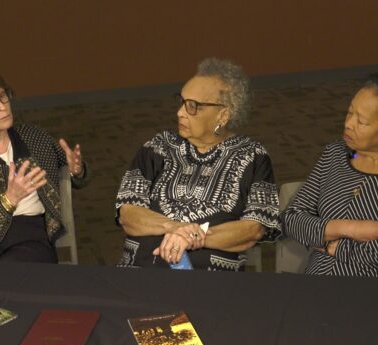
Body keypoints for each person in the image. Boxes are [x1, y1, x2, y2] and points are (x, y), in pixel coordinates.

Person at [115, 58, 280, 271]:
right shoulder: (157, 147)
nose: (180, 112)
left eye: (193, 106)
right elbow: (127, 214)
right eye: (182, 102)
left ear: (223, 114)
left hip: (212, 283)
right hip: (141, 272)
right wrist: (177, 229)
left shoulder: (253, 156)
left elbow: (253, 229)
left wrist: (194, 238)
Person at [281, 72, 378, 277]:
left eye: (362, 122)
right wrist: (353, 228)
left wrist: (332, 247)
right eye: (349, 113)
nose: (348, 124)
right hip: (319, 279)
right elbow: (292, 220)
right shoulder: (335, 153)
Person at [0, 65, 88, 262]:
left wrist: (76, 170)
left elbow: (76, 178)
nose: (2, 106)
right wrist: (9, 199)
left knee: (8, 282)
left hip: (29, 235)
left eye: (3, 96)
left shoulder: (34, 138)